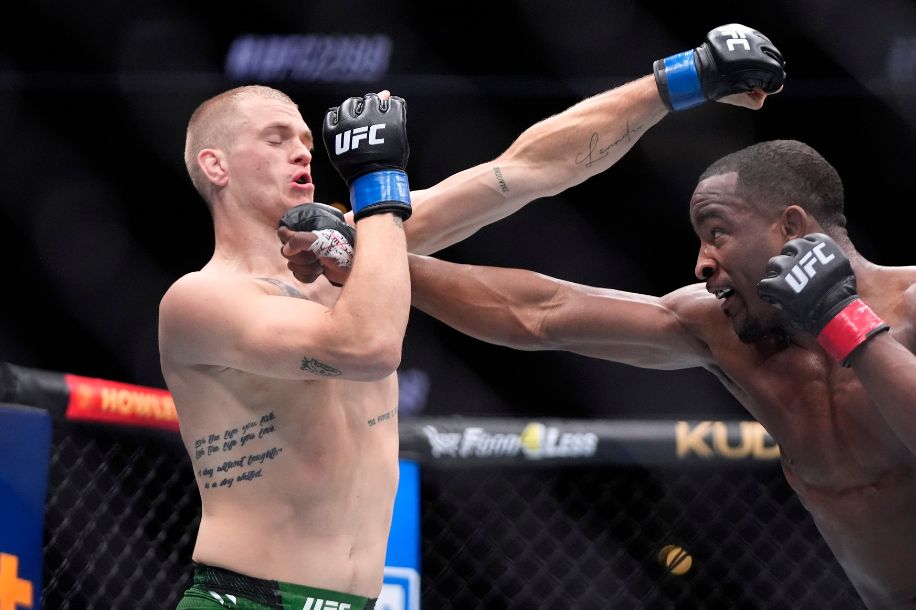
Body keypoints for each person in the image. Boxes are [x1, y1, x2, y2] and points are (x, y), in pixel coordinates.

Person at [163, 24, 785, 610]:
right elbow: (366, 346)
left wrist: (680, 81)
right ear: (215, 165)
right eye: (276, 139)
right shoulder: (201, 299)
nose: (302, 152)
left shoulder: (355, 247)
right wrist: (380, 185)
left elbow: (523, 173)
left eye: (305, 138)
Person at [398, 139, 916, 609]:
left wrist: (844, 323)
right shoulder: (725, 332)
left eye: (717, 232)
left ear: (791, 226)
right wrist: (376, 259)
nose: (701, 262)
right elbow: (542, 311)